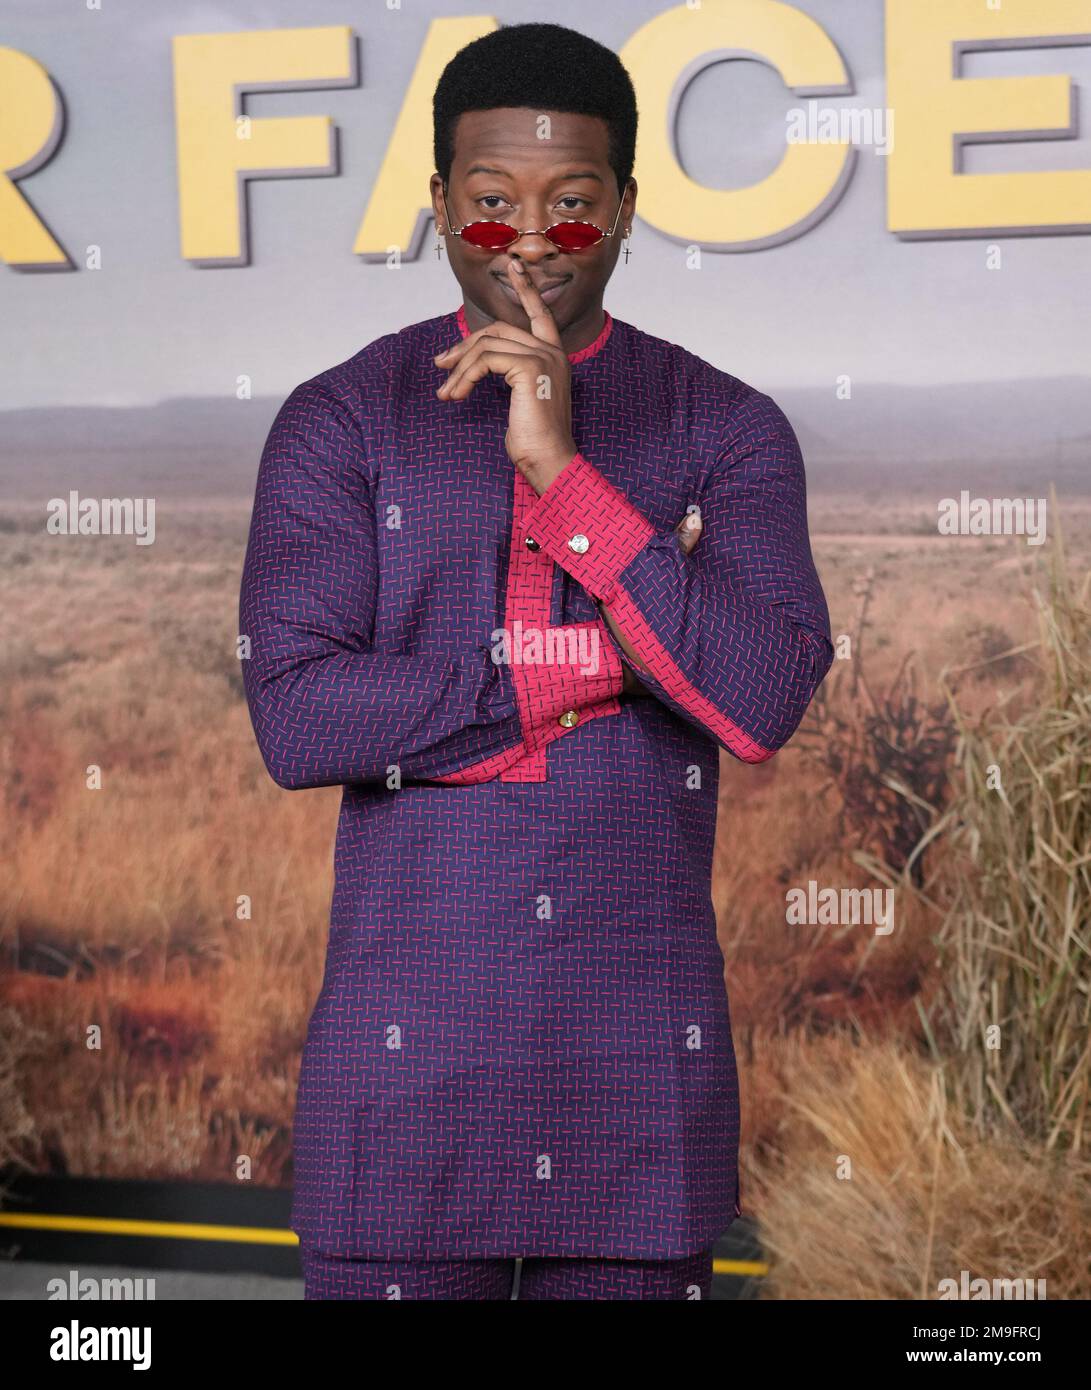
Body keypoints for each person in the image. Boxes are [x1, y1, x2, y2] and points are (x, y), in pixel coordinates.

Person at [238, 21, 834, 1301]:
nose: (527, 243)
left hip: (636, 1080)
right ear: (436, 203)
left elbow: (762, 690)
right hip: (403, 1086)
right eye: (490, 202)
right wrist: (599, 656)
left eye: (571, 211)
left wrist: (563, 476)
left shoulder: (724, 423)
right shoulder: (341, 416)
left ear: (625, 211)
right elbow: (297, 718)